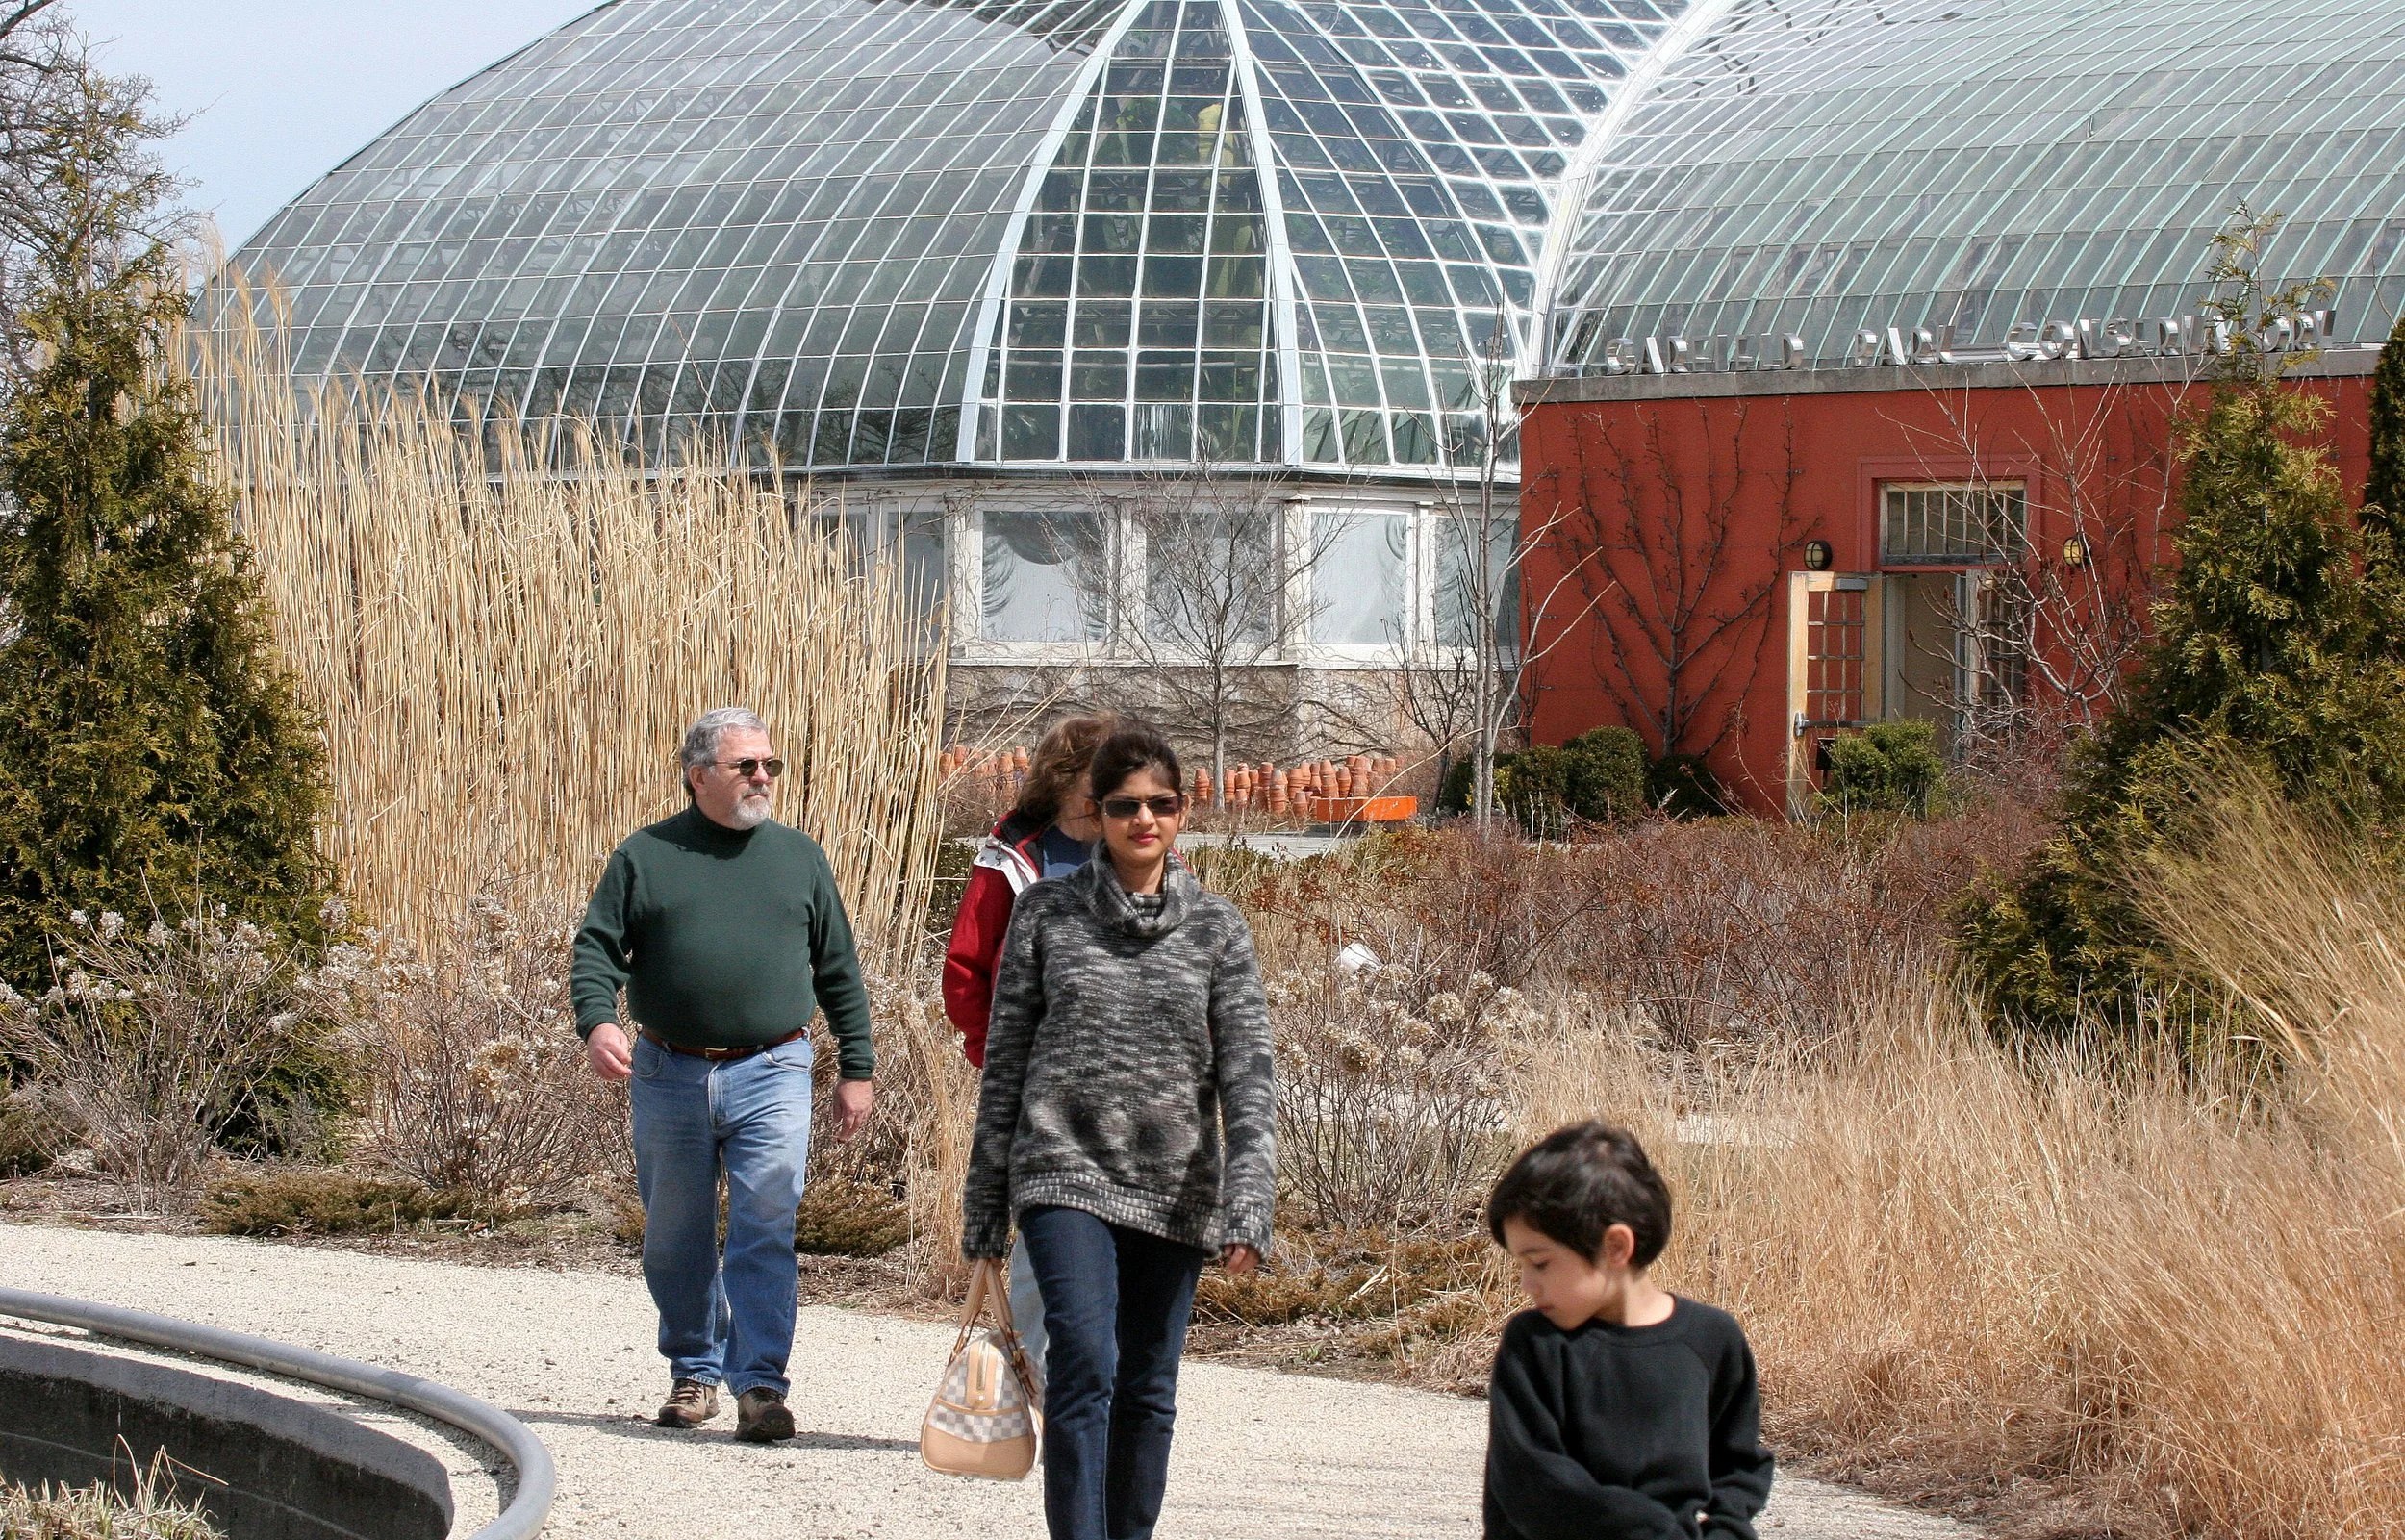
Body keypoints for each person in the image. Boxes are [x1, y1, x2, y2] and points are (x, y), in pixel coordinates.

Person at [962, 720, 1276, 1540]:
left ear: (1182, 813)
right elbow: (1006, 1063)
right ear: (1096, 813)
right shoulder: (1045, 916)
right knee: (1084, 1366)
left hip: (1176, 1185)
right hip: (1062, 1172)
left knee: (1147, 1386)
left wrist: (1249, 1201)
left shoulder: (1218, 928)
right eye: (1125, 805)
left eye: (1161, 804)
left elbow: (1248, 1075)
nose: (1145, 819)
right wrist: (985, 1205)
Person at [570, 706, 874, 1444]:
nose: (764, 777)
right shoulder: (645, 856)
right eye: (748, 766)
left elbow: (839, 969)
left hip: (774, 1066)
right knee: (675, 1234)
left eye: (769, 764)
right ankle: (695, 1370)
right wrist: (598, 1020)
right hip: (669, 1069)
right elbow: (597, 950)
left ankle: (761, 1384)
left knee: (765, 1221)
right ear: (698, 773)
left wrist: (856, 1067)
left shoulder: (799, 858)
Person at [1481, 1122, 1774, 1539]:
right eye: (1521, 1265)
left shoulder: (1712, 1339)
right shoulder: (1535, 1345)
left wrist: (1727, 1529)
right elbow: (1534, 1483)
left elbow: (1738, 1466)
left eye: (1541, 1262)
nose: (1528, 1284)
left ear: (1616, 1247)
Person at [942, 712, 1116, 1379]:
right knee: (1048, 1239)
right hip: (1035, 1083)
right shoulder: (1015, 856)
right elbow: (966, 969)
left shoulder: (1145, 847)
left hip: (1130, 1084)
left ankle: (1099, 1387)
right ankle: (1036, 1380)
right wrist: (999, 1052)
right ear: (1069, 780)